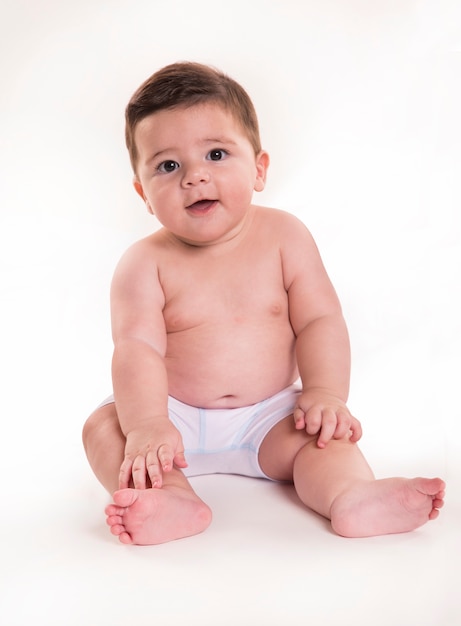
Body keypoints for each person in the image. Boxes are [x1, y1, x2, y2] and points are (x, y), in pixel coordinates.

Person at [82, 61, 445, 545]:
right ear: (142, 193)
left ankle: (352, 496)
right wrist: (148, 424)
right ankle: (170, 496)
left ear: (259, 168)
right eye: (168, 166)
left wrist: (326, 394)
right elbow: (136, 349)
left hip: (269, 417)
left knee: (324, 438)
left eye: (215, 153)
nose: (194, 177)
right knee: (105, 428)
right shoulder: (143, 263)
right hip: (173, 416)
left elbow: (320, 319)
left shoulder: (285, 237)